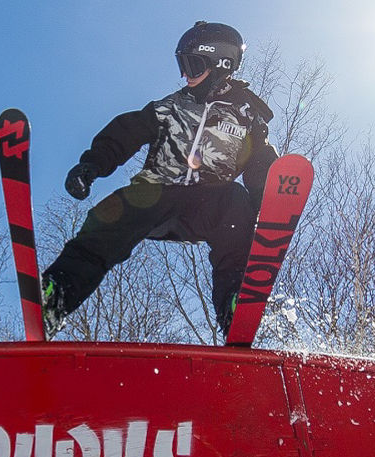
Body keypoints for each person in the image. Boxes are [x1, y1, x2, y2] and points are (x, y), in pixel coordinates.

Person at [41, 20, 277, 336]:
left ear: (222, 63)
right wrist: (93, 165)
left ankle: (235, 305)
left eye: (193, 66)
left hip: (208, 205)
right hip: (156, 194)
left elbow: (259, 161)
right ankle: (58, 293)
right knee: (117, 210)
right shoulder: (171, 106)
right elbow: (126, 132)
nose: (185, 76)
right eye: (183, 66)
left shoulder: (248, 116)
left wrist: (269, 201)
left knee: (234, 202)